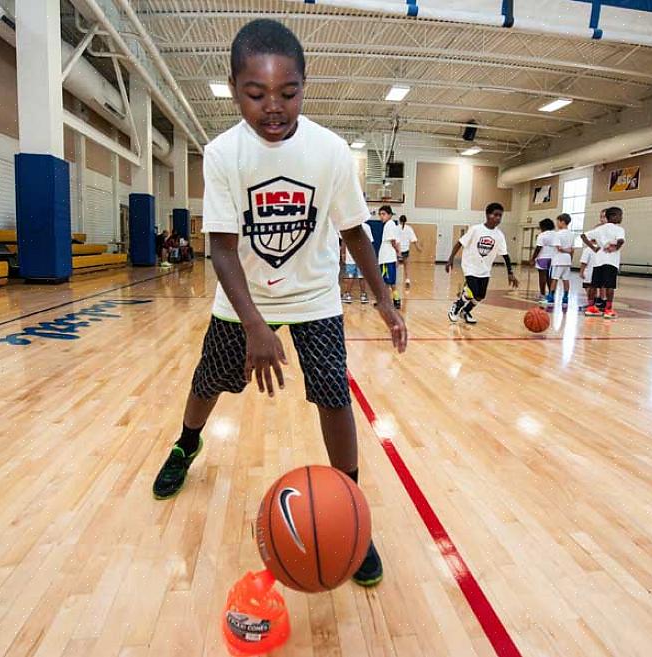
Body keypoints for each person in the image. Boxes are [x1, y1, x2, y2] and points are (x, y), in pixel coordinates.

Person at [149, 19, 406, 588]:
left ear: (304, 88)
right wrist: (257, 327)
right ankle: (185, 446)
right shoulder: (222, 154)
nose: (273, 107)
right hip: (242, 296)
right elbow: (218, 250)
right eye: (255, 93)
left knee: (334, 398)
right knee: (208, 382)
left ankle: (353, 516)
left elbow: (356, 234)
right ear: (234, 86)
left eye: (287, 93)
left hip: (315, 296)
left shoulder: (331, 151)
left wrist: (384, 300)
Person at [446, 202, 519, 324]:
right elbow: (460, 243)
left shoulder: (499, 235)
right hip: (470, 266)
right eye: (495, 215)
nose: (498, 218)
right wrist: (450, 258)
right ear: (487, 215)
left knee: (481, 295)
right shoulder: (475, 229)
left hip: (485, 269)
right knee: (472, 291)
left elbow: (505, 255)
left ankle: (466, 312)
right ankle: (456, 307)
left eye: (500, 216)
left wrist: (510, 273)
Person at [581, 206, 625, 319]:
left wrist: (593, 248)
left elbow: (583, 236)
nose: (621, 217)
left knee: (594, 285)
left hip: (598, 261)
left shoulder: (599, 229)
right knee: (610, 286)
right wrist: (616, 248)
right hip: (611, 262)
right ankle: (608, 309)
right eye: (620, 215)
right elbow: (621, 240)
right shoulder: (619, 229)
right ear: (613, 216)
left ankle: (591, 308)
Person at [340, 220, 373, 304]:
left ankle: (347, 295)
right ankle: (363, 295)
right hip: (362, 257)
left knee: (350, 275)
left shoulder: (348, 225)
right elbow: (369, 243)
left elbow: (344, 241)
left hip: (350, 256)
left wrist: (343, 254)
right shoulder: (366, 227)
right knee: (361, 276)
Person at [547, 213, 575, 308]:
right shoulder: (572, 234)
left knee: (554, 279)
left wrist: (564, 250)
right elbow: (572, 250)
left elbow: (559, 248)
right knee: (566, 280)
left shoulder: (557, 234)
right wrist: (570, 259)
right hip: (567, 260)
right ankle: (565, 298)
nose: (556, 223)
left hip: (558, 259)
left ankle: (551, 297)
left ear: (562, 222)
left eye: (557, 221)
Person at [377, 205, 402, 309]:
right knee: (389, 282)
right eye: (380, 214)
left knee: (388, 282)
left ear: (390, 215)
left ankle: (389, 302)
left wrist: (398, 254)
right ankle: (394, 301)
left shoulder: (390, 224)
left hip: (387, 258)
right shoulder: (391, 225)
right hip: (387, 258)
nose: (381, 216)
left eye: (383, 214)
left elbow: (393, 241)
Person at [528, 218, 556, 302]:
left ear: (544, 226)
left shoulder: (542, 235)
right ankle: (551, 295)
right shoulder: (556, 234)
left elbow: (538, 248)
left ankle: (542, 294)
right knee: (550, 277)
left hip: (543, 257)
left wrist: (533, 258)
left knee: (542, 276)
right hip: (553, 258)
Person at [397, 215, 421, 288]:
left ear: (399, 220)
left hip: (397, 250)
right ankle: (407, 280)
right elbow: (414, 240)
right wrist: (418, 247)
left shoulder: (396, 228)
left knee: (395, 266)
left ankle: (393, 280)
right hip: (405, 250)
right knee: (406, 266)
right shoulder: (409, 228)